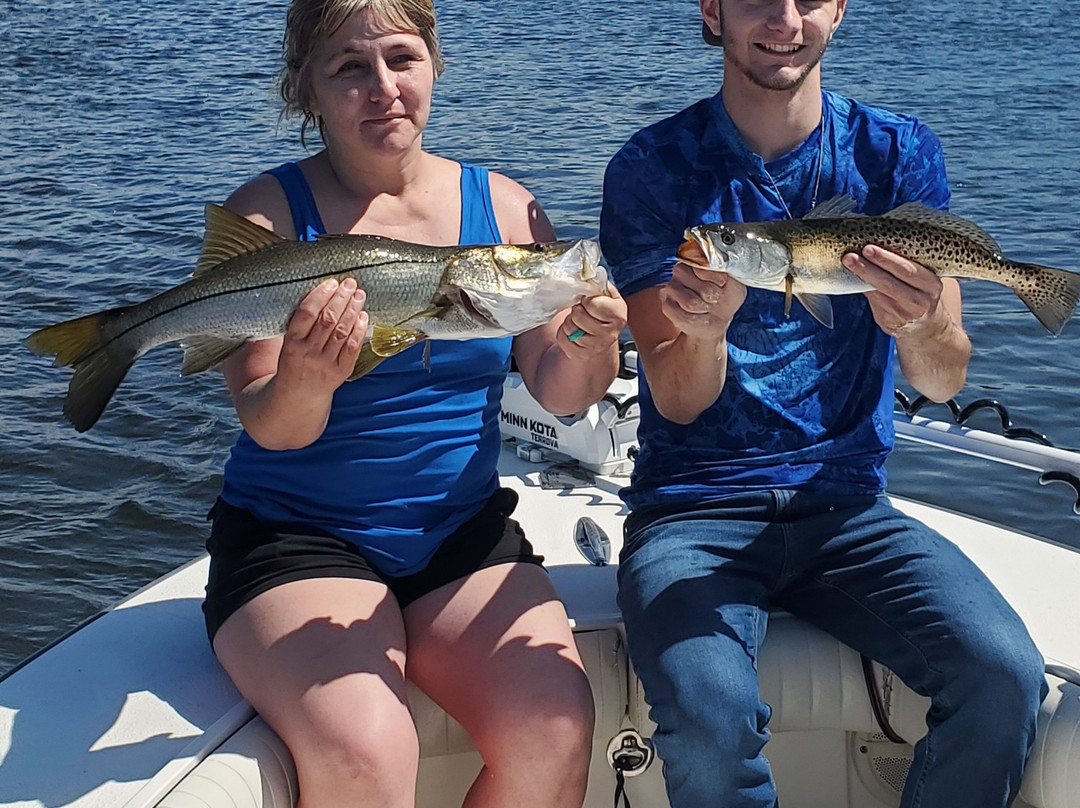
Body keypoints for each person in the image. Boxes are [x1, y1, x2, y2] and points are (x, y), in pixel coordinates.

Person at [599, 1, 1047, 806]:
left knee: (1005, 675)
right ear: (713, 9)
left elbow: (943, 381)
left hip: (848, 510)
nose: (785, 18)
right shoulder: (652, 167)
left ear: (838, 9)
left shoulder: (897, 152)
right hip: (693, 514)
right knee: (710, 718)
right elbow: (676, 396)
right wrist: (703, 333)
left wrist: (920, 325)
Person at [201, 1, 627, 806]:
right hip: (297, 539)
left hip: (456, 536)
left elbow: (560, 389)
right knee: (365, 747)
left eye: (402, 58)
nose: (383, 87)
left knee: (555, 724)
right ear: (307, 90)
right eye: (350, 68)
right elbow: (272, 426)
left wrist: (593, 339)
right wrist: (306, 378)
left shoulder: (504, 209)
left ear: (435, 66)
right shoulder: (265, 219)